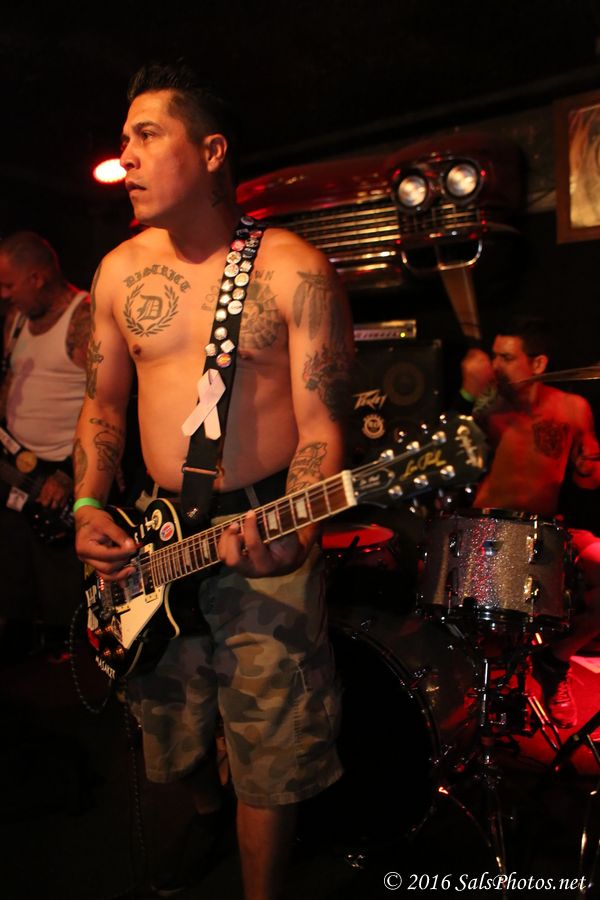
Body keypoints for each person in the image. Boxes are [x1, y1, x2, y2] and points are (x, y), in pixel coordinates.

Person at [73, 61, 354, 899]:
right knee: (171, 731)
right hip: (154, 542)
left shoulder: (294, 269)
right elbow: (102, 407)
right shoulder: (117, 271)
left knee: (272, 744)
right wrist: (87, 504)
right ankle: (206, 817)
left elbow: (323, 427)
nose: (126, 156)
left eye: (147, 135)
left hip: (263, 534)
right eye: (123, 139)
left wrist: (296, 535)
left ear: (211, 151)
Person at [460, 317, 600, 728]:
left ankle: (555, 660)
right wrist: (469, 394)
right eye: (494, 356)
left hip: (546, 532)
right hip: (487, 531)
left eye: (506, 357)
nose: (496, 365)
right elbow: (451, 443)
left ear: (537, 363)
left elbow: (588, 479)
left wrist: (590, 465)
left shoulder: (573, 408)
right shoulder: (489, 408)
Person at [0, 231, 91, 658]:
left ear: (37, 277)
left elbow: (108, 402)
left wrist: (71, 473)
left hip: (60, 474)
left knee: (63, 605)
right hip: (16, 469)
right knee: (13, 584)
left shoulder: (84, 316)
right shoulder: (17, 318)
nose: (4, 295)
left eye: (9, 285)